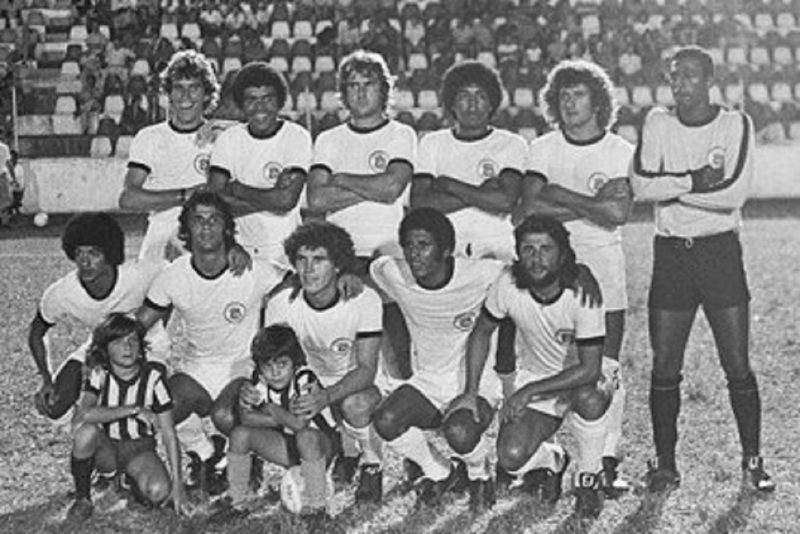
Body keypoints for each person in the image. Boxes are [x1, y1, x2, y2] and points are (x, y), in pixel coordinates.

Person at [629, 46, 774, 493]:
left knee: (737, 363)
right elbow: (639, 187)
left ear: (710, 80)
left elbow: (732, 195)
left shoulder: (734, 124)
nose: (680, 84)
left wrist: (669, 189)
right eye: (674, 76)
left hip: (719, 253)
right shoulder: (658, 122)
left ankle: (753, 461)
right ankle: (665, 464)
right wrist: (693, 180)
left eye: (690, 75)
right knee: (664, 365)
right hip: (672, 253)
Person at [513, 58, 634, 497]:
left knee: (605, 369)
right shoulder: (543, 147)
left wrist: (559, 194)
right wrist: (590, 203)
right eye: (562, 95)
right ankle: (546, 457)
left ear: (598, 101)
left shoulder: (620, 150)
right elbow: (527, 211)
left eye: (578, 94)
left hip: (605, 269)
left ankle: (605, 462)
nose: (569, 102)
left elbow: (617, 213)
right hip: (549, 273)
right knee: (547, 364)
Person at [449, 215, 618, 518]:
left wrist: (528, 391)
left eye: (545, 249)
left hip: (586, 376)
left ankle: (589, 478)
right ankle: (553, 460)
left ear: (562, 255)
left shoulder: (583, 293)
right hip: (539, 376)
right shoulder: (508, 284)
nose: (536, 258)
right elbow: (482, 332)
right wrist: (471, 391)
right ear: (518, 253)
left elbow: (590, 369)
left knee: (589, 398)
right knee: (510, 458)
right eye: (528, 249)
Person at [136, 191, 285, 493]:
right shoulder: (173, 276)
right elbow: (139, 324)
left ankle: (250, 456)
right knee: (163, 406)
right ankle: (204, 453)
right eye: (198, 220)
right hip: (197, 367)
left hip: (241, 366)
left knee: (225, 415)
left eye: (214, 220)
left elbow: (294, 283)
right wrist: (101, 354)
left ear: (227, 228)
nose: (206, 227)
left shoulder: (251, 269)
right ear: (186, 228)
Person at [370, 208, 503, 512]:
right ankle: (440, 471)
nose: (414, 254)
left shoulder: (481, 273)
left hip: (476, 382)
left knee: (460, 432)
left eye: (424, 245)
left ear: (445, 250)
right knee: (385, 421)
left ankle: (480, 474)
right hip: (427, 381)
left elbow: (526, 274)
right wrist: (350, 277)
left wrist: (580, 275)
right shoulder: (393, 273)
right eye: (408, 245)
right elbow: (372, 267)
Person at [242, 220, 385, 504]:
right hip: (306, 385)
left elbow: (367, 370)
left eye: (319, 260)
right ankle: (340, 451)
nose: (308, 269)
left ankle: (371, 462)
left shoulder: (363, 299)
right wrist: (253, 392)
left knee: (355, 405)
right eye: (302, 260)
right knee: (294, 440)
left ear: (338, 264)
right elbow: (272, 360)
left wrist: (326, 397)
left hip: (353, 383)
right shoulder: (282, 303)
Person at [28, 213, 168, 426]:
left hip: (147, 344)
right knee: (53, 405)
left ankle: (194, 440)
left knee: (151, 402)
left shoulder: (139, 274)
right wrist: (45, 378)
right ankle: (90, 422)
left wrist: (161, 320)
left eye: (94, 253)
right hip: (100, 345)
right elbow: (36, 332)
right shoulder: (63, 292)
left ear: (110, 253)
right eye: (79, 253)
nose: (84, 261)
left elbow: (174, 278)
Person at [67, 313, 187, 521]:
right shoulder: (100, 374)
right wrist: (133, 409)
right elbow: (84, 413)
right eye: (118, 342)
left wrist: (178, 485)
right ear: (105, 348)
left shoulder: (153, 379)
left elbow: (169, 434)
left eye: (133, 340)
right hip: (107, 446)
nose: (128, 347)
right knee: (86, 433)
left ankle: (129, 481)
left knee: (158, 492)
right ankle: (83, 498)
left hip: (139, 448)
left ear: (141, 346)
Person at [215, 325, 340, 520]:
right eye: (268, 366)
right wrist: (280, 418)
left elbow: (300, 426)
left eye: (282, 364)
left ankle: (317, 508)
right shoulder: (258, 381)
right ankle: (237, 501)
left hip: (322, 445)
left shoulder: (304, 378)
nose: (275, 372)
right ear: (259, 367)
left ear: (294, 362)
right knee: (240, 434)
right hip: (289, 444)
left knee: (306, 436)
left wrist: (272, 409)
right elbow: (247, 418)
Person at [411, 60, 526, 263]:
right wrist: (483, 193)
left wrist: (448, 185)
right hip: (445, 250)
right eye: (464, 96)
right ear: (452, 103)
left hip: (497, 248)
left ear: (491, 104)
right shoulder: (432, 142)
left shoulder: (512, 143)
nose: (472, 105)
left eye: (480, 96)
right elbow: (420, 205)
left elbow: (505, 202)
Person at [306, 49, 416, 262]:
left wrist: (341, 179)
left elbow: (392, 188)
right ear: (344, 93)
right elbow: (317, 200)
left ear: (383, 89)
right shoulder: (328, 139)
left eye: (369, 84)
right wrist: (375, 188)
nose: (361, 93)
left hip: (387, 250)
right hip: (338, 252)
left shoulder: (400, 133)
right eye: (353, 85)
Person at [118, 49, 225, 261]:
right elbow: (128, 198)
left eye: (194, 88)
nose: (186, 96)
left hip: (209, 239)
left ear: (207, 94)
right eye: (178, 88)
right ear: (168, 94)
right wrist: (187, 195)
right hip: (160, 239)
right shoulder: (150, 137)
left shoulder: (222, 138)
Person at [208, 61, 311, 266]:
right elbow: (214, 204)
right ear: (241, 103)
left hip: (287, 250)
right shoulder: (229, 139)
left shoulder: (295, 136)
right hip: (239, 251)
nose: (260, 107)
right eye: (251, 99)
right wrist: (271, 198)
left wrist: (237, 189)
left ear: (280, 101)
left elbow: (286, 201)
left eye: (267, 99)